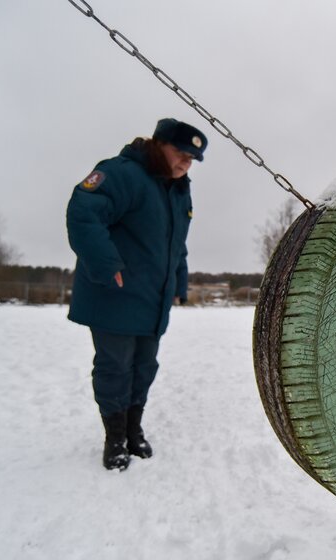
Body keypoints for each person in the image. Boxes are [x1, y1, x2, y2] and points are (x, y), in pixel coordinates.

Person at [66, 118, 208, 470]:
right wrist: (105, 264)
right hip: (114, 294)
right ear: (158, 144)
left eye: (192, 160)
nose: (185, 164)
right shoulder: (123, 174)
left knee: (144, 367)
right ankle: (114, 439)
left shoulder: (178, 191)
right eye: (180, 153)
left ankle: (132, 430)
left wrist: (179, 283)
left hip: (153, 300)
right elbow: (83, 212)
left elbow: (178, 245)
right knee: (116, 367)